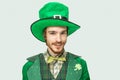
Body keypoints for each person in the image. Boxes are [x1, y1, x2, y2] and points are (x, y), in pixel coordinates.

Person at [22, 2, 90, 80]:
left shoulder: (81, 64)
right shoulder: (29, 66)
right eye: (52, 33)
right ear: (44, 35)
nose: (59, 39)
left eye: (63, 33)